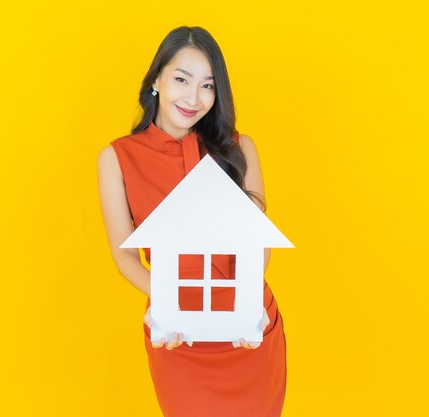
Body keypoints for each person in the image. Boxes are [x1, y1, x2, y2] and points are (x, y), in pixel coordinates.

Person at [97, 26, 287, 417]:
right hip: (176, 337)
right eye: (181, 79)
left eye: (207, 86)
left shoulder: (239, 148)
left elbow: (259, 243)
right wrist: (169, 306)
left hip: (248, 333)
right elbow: (125, 255)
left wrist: (246, 308)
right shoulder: (117, 158)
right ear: (156, 80)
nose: (193, 97)